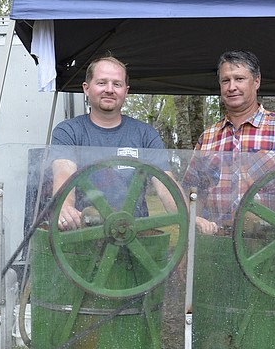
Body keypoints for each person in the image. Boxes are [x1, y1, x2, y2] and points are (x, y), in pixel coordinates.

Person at [183, 50, 275, 234]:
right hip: (215, 240)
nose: (231, 87)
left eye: (239, 79)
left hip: (267, 241)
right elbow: (194, 190)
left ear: (257, 81)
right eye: (226, 81)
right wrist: (195, 223)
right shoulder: (208, 136)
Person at [50, 55, 180, 230]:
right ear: (86, 89)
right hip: (82, 235)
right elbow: (63, 175)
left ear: (126, 91)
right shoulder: (68, 131)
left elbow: (166, 185)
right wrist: (65, 208)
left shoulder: (145, 134)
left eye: (117, 84)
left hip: (135, 237)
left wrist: (188, 216)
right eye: (102, 83)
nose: (109, 90)